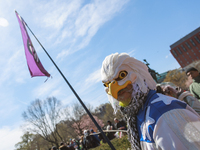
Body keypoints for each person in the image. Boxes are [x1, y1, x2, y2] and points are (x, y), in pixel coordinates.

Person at [101, 53, 200, 150]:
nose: (113, 89)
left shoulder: (164, 112)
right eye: (107, 84)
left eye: (122, 75)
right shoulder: (138, 115)